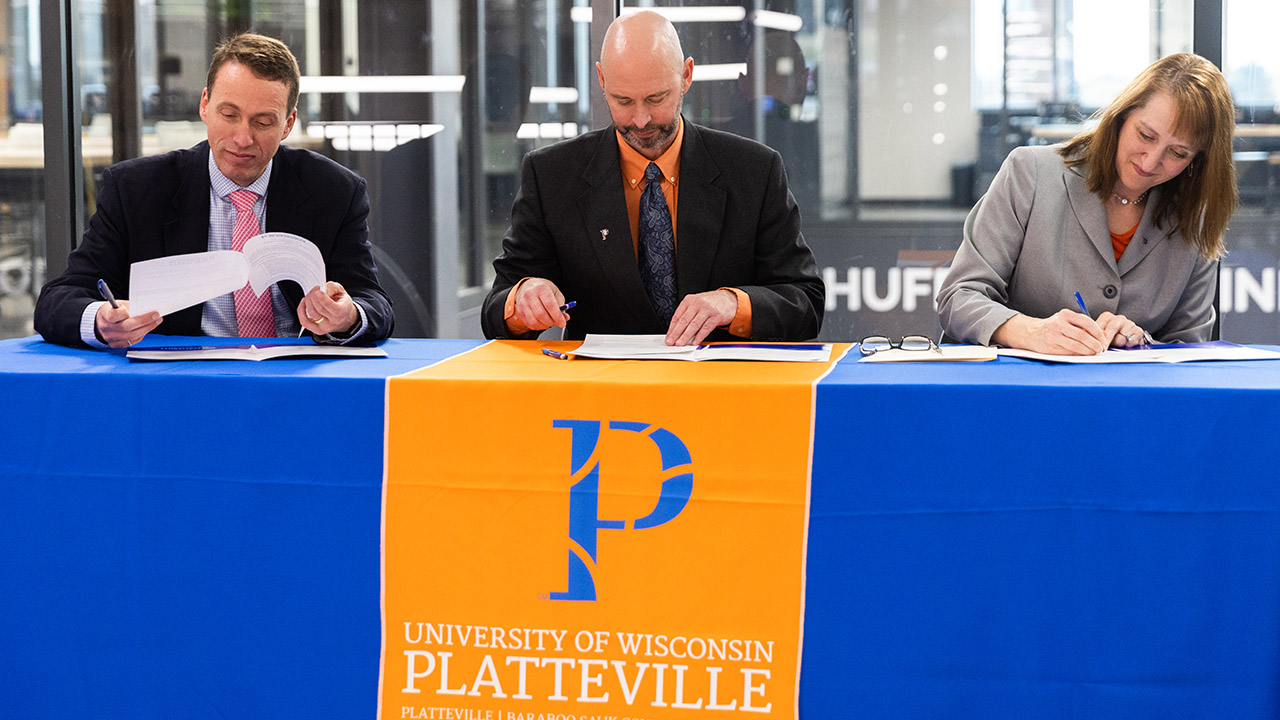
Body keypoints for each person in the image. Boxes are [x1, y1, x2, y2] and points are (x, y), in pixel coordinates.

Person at [480, 10, 823, 345]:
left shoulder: (754, 171)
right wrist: (522, 300)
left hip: (721, 392)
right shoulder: (552, 176)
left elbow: (806, 302)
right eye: (623, 100)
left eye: (656, 98)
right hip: (601, 393)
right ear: (601, 80)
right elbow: (495, 309)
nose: (641, 120)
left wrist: (734, 305)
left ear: (686, 75)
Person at [35, 32, 393, 349]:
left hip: (295, 377)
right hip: (183, 380)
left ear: (288, 124)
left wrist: (347, 316)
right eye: (229, 114)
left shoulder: (334, 191)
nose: (242, 138)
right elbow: (58, 300)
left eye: (263, 122)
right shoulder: (137, 190)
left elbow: (374, 303)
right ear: (205, 105)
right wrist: (100, 320)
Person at [936, 53, 1237, 355]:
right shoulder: (1030, 172)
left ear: (1199, 161)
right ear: (1122, 116)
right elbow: (959, 297)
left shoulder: (1196, 220)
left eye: (1178, 154)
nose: (1151, 160)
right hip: (1015, 394)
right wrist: (1030, 331)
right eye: (1145, 135)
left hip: (1129, 401)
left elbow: (1192, 354)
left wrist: (1140, 342)